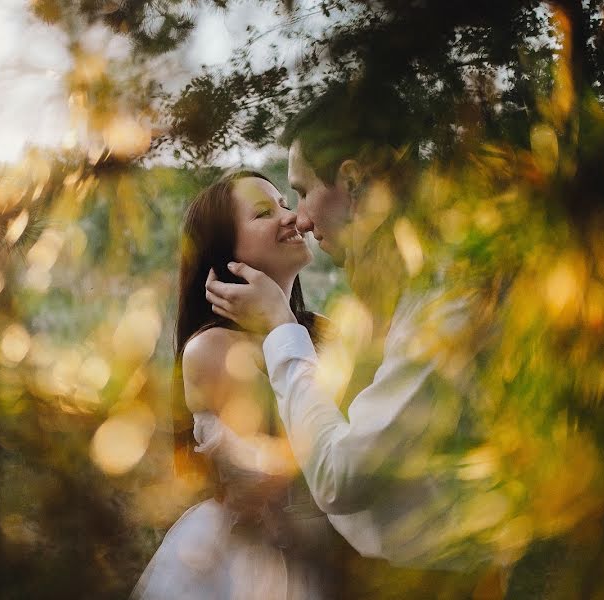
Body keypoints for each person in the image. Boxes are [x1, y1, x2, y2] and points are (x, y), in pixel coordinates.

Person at [204, 92, 497, 575]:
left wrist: (281, 327)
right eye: (269, 210)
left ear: (353, 181)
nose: (297, 218)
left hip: (439, 580)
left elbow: (339, 477)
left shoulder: (442, 303)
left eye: (298, 193)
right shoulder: (406, 293)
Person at [132, 170, 342, 599]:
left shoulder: (318, 330)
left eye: (286, 204)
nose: (291, 218)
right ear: (226, 255)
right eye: (264, 213)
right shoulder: (212, 349)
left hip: (333, 547)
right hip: (258, 562)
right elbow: (296, 458)